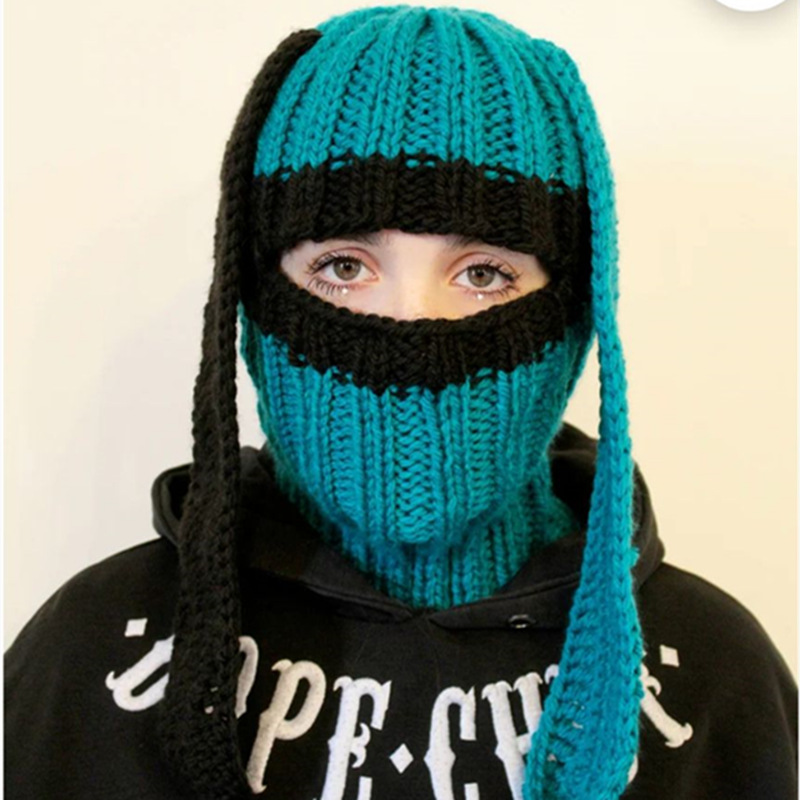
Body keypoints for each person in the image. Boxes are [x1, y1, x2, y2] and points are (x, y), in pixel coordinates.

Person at [4, 5, 797, 800]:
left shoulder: (717, 675)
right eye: (344, 268)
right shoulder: (89, 655)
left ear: (573, 316)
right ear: (255, 300)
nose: (413, 324)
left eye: (483, 274)